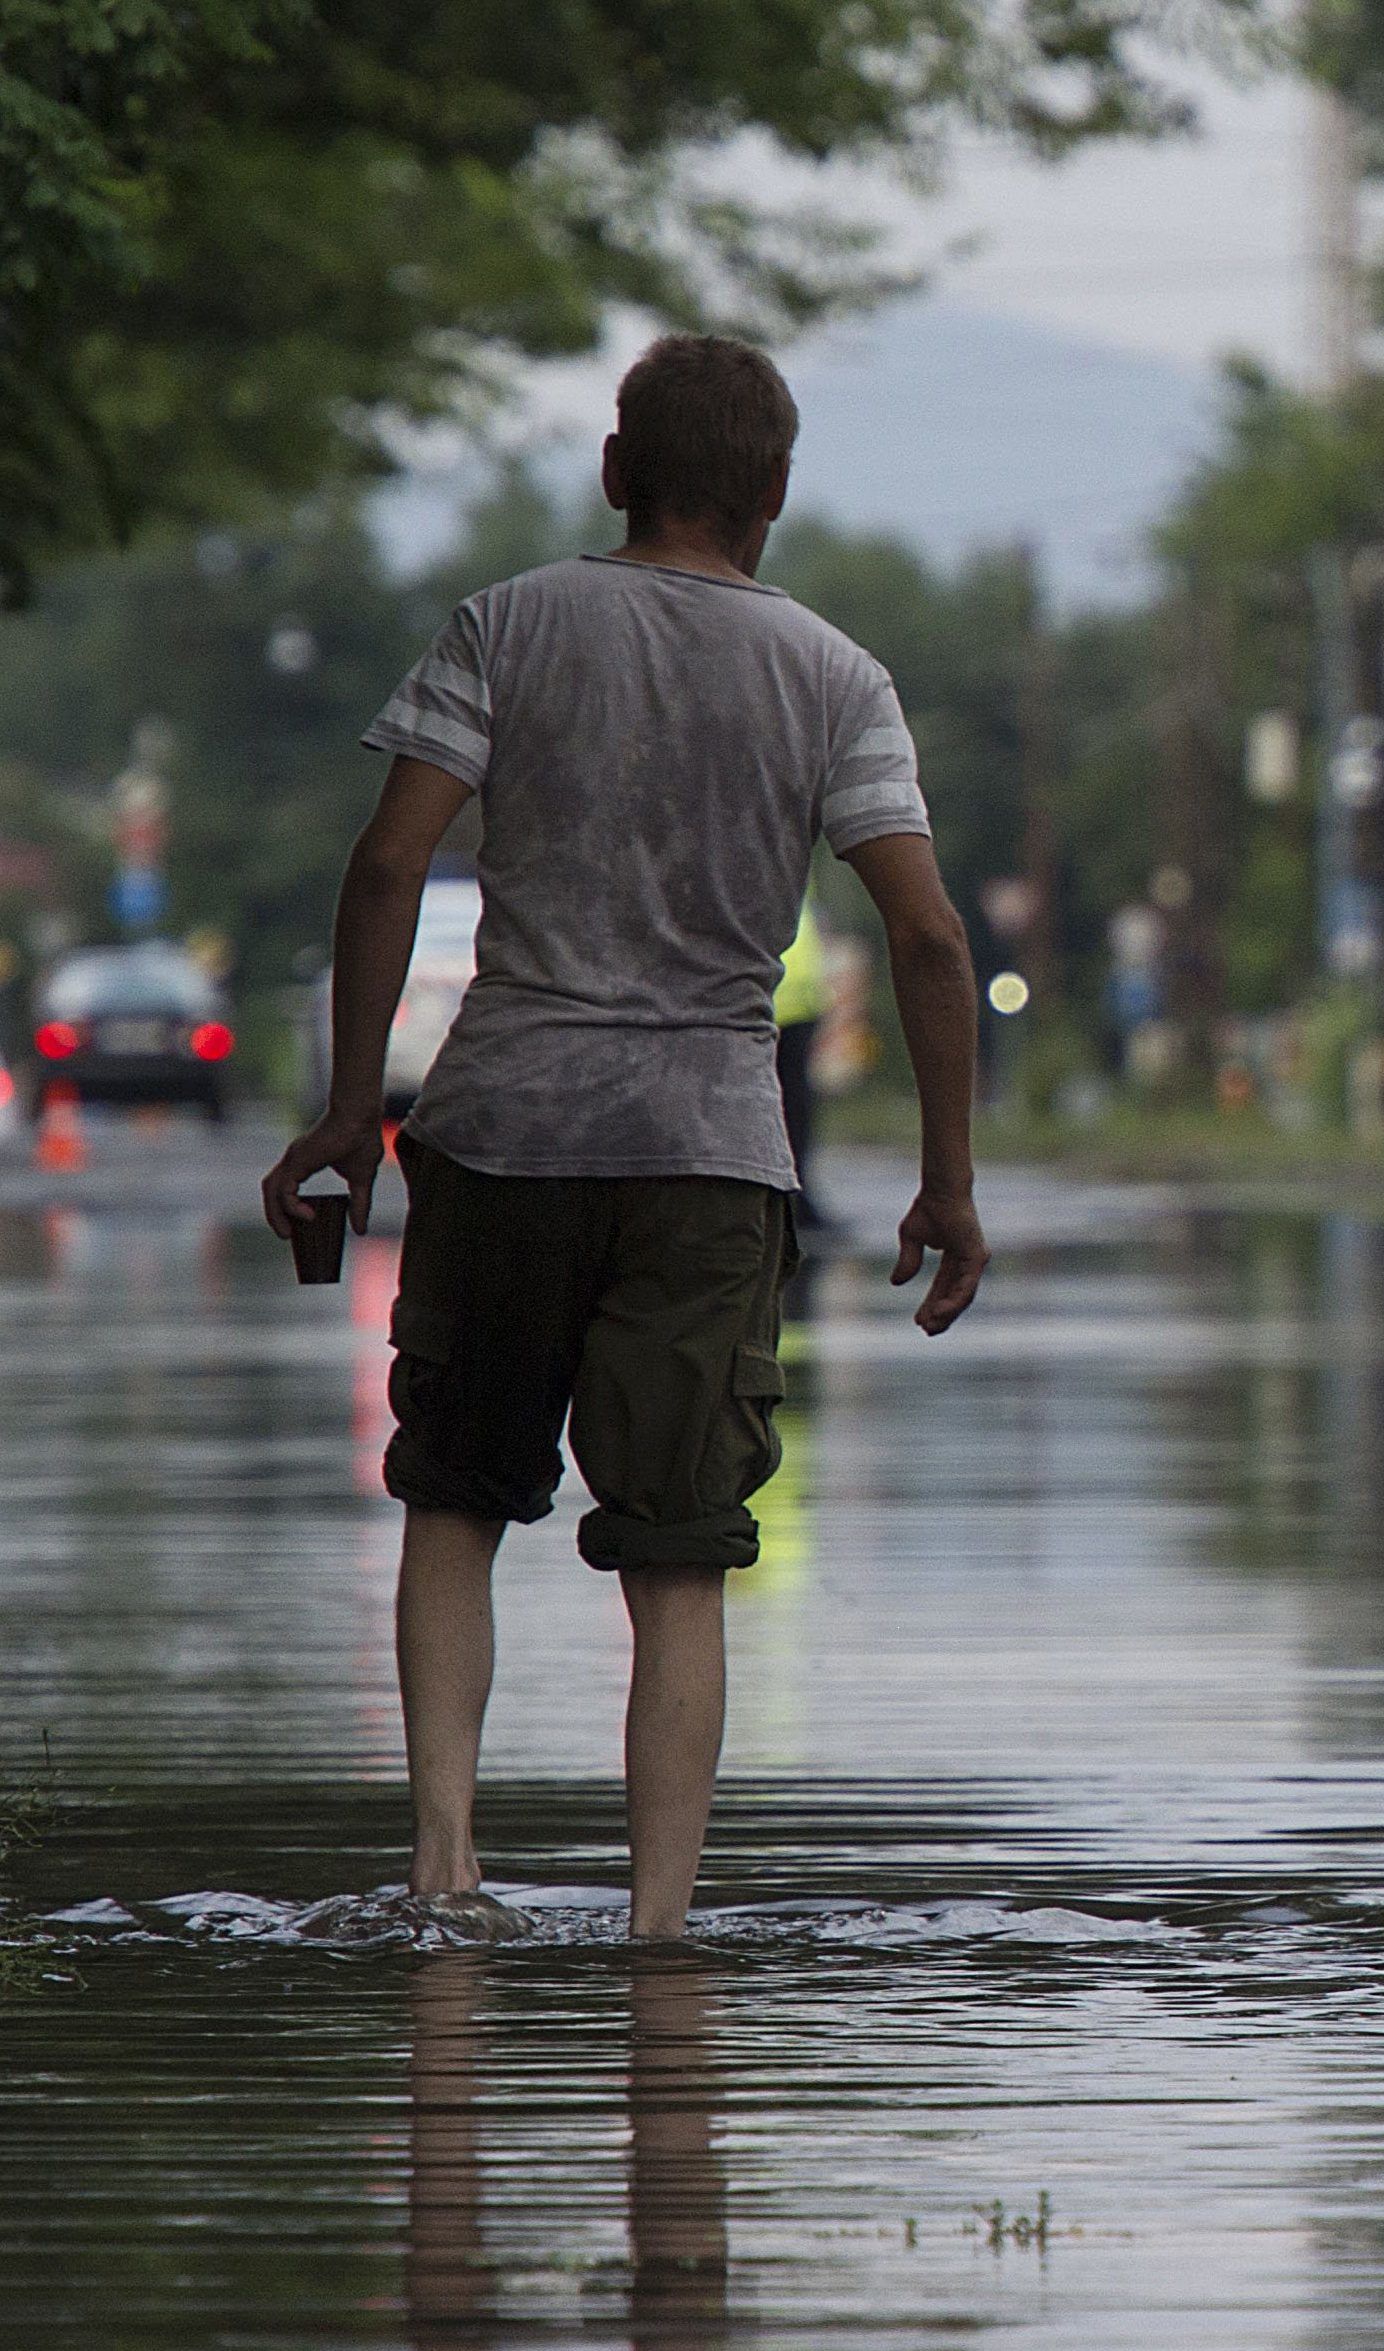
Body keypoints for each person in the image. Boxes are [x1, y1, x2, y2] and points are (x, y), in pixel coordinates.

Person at [260, 334, 990, 1944]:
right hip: (712, 1156)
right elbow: (930, 939)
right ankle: (662, 1927)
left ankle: (442, 1868)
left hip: (503, 1126)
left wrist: (343, 1107)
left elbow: (387, 870)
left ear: (613, 469)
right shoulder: (836, 677)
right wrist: (944, 1178)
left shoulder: (506, 626)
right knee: (679, 1558)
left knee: (455, 1498)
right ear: (776, 497)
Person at [772, 896, 833, 1231]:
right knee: (794, 1106)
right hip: (782, 993)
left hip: (787, 994)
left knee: (794, 1106)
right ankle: (794, 1195)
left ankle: (794, 1193)